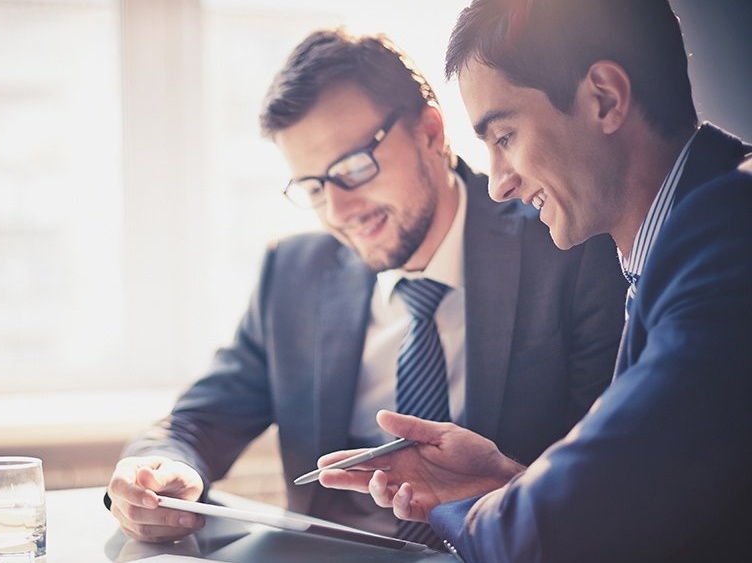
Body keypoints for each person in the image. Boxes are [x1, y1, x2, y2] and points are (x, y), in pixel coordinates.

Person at [105, 28, 627, 547]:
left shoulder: (566, 246)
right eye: (313, 187)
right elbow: (197, 421)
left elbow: (608, 478)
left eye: (353, 168)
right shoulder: (292, 274)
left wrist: (507, 481)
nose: (338, 211)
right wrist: (156, 471)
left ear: (429, 132)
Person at [315, 1, 752, 561]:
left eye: (504, 137)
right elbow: (640, 505)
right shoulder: (679, 242)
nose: (498, 185)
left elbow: (555, 529)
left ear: (605, 99)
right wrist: (503, 483)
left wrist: (462, 508)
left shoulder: (730, 235)